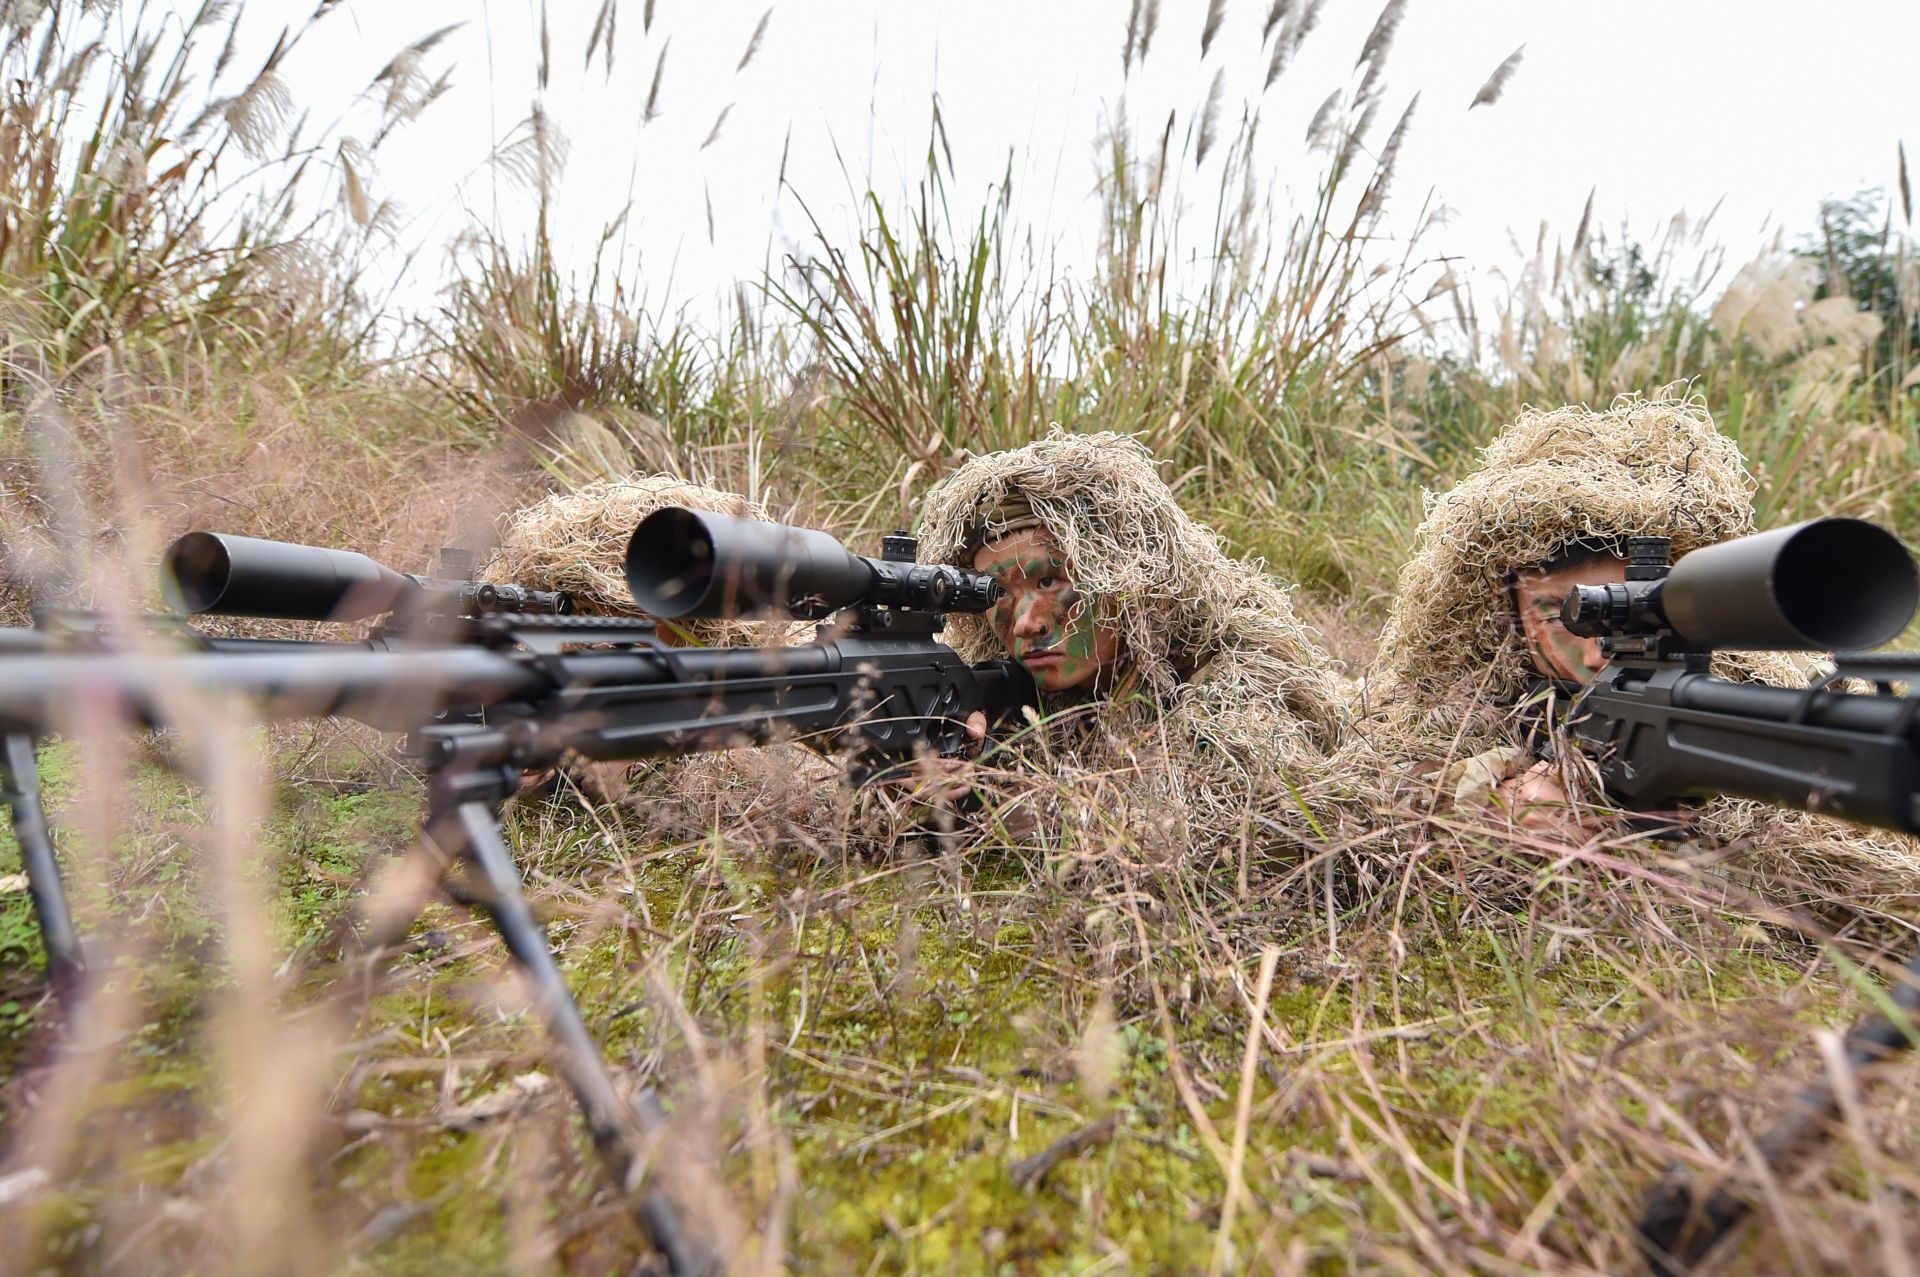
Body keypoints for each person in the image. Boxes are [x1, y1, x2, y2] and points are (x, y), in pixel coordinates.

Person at [1364, 393, 1920, 928]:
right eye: (1561, 614)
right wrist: (1492, 802)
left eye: (1629, 610)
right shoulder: (1449, 689)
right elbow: (1378, 781)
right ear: (1501, 611)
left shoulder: (1756, 681)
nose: (1596, 648)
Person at [912, 429, 1350, 859]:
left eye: (1050, 581)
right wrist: (932, 782)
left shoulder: (1228, 665)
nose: (1026, 623)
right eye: (998, 593)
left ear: (1128, 578)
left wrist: (1010, 804)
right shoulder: (989, 687)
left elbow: (1244, 833)